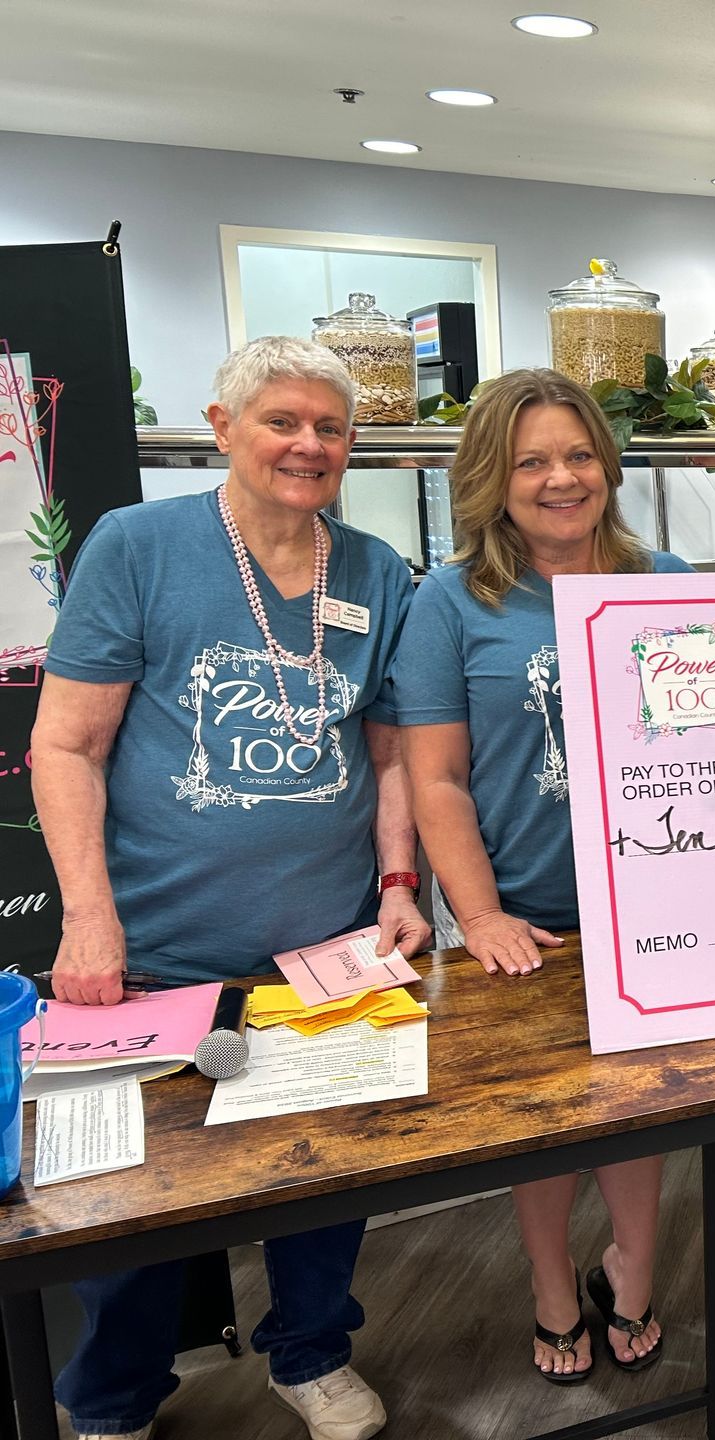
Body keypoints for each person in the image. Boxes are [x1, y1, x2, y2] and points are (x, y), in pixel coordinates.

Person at [33, 336, 430, 1440]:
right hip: (155, 951)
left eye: (331, 428)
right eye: (282, 421)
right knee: (135, 1213)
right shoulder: (138, 547)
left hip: (327, 948)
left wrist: (402, 883)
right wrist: (90, 915)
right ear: (223, 426)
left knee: (325, 1182)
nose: (309, 445)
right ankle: (109, 1400)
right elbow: (66, 745)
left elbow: (391, 746)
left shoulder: (373, 569)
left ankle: (308, 1357)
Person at [392, 368, 691, 1382]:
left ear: (606, 462)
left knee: (642, 1108)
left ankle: (633, 1267)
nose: (561, 478)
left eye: (577, 455)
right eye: (532, 463)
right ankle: (553, 1285)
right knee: (547, 1123)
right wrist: (479, 916)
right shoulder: (451, 601)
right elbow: (435, 779)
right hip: (526, 915)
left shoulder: (669, 580)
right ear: (493, 479)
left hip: (653, 908)